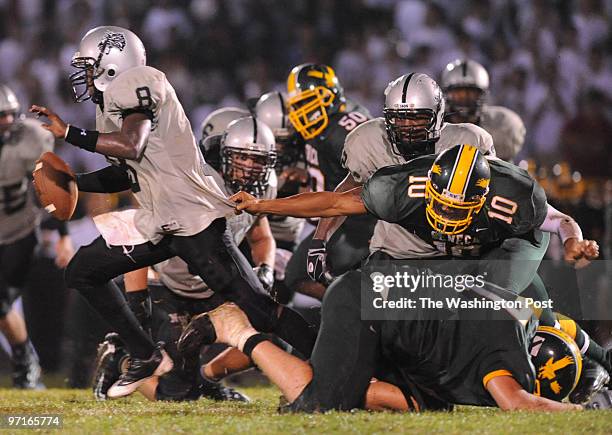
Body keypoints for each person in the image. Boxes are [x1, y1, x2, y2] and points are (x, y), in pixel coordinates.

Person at [30, 25, 315, 398]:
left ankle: (331, 360)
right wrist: (76, 182)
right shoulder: (111, 105)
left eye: (89, 65)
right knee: (83, 271)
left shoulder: (140, 82)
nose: (85, 75)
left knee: (261, 310)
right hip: (159, 222)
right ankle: (143, 353)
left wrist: (69, 133)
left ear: (112, 63)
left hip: (193, 220)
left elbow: (132, 145)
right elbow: (125, 172)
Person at [94, 116, 278, 402]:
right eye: (242, 157)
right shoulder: (192, 184)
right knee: (175, 394)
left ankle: (207, 379)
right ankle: (120, 359)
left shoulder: (263, 187)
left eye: (258, 160)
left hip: (216, 287)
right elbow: (138, 234)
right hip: (171, 286)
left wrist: (265, 268)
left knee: (273, 335)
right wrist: (137, 299)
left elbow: (261, 237)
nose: (250, 167)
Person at [0, 84, 74, 389]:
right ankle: (25, 360)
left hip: (19, 231)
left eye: (8, 115)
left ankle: (25, 361)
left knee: (1, 301)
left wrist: (63, 234)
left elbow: (52, 188)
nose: (6, 123)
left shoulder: (30, 137)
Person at [283, 63, 374, 300]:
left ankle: (349, 307)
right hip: (340, 219)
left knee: (297, 273)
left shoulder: (342, 130)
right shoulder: (320, 129)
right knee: (297, 274)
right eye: (299, 104)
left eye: (308, 101)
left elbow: (366, 175)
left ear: (329, 95)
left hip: (359, 224)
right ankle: (348, 306)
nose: (302, 110)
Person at [441, 59, 526, 163]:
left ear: (482, 95)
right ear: (446, 94)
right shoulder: (434, 126)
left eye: (470, 94)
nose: (464, 99)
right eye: (458, 94)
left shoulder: (501, 126)